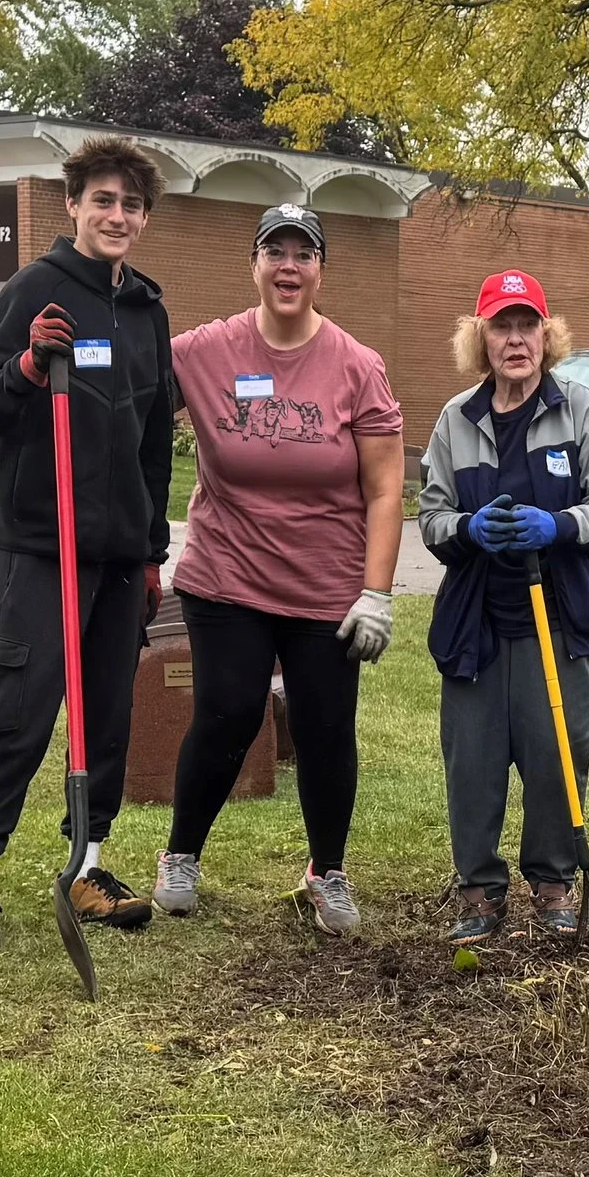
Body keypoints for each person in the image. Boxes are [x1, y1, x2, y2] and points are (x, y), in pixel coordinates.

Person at [153, 203, 405, 936]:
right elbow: (131, 377)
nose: (288, 266)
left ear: (322, 269)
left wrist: (376, 593)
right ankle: (181, 856)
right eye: (275, 251)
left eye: (304, 253)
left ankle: (326, 872)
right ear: (254, 264)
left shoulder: (358, 366)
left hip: (326, 582)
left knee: (327, 728)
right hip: (226, 574)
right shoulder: (206, 351)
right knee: (228, 711)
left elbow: (386, 488)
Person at [0, 135, 174, 945]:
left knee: (107, 711)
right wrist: (27, 372)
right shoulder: (34, 290)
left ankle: (88, 864)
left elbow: (153, 443)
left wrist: (151, 550)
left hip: (116, 554)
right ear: (74, 204)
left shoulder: (148, 309)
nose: (117, 215)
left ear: (144, 218)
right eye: (103, 200)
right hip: (40, 547)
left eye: (131, 204)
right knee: (15, 706)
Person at [418, 269, 589, 939]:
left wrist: (558, 525)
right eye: (501, 326)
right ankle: (478, 890)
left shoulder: (582, 412)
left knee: (557, 752)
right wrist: (466, 531)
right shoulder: (458, 419)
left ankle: (553, 881)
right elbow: (430, 518)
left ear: (547, 333)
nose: (516, 338)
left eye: (527, 324)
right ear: (480, 338)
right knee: (473, 763)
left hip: (560, 620)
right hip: (478, 623)